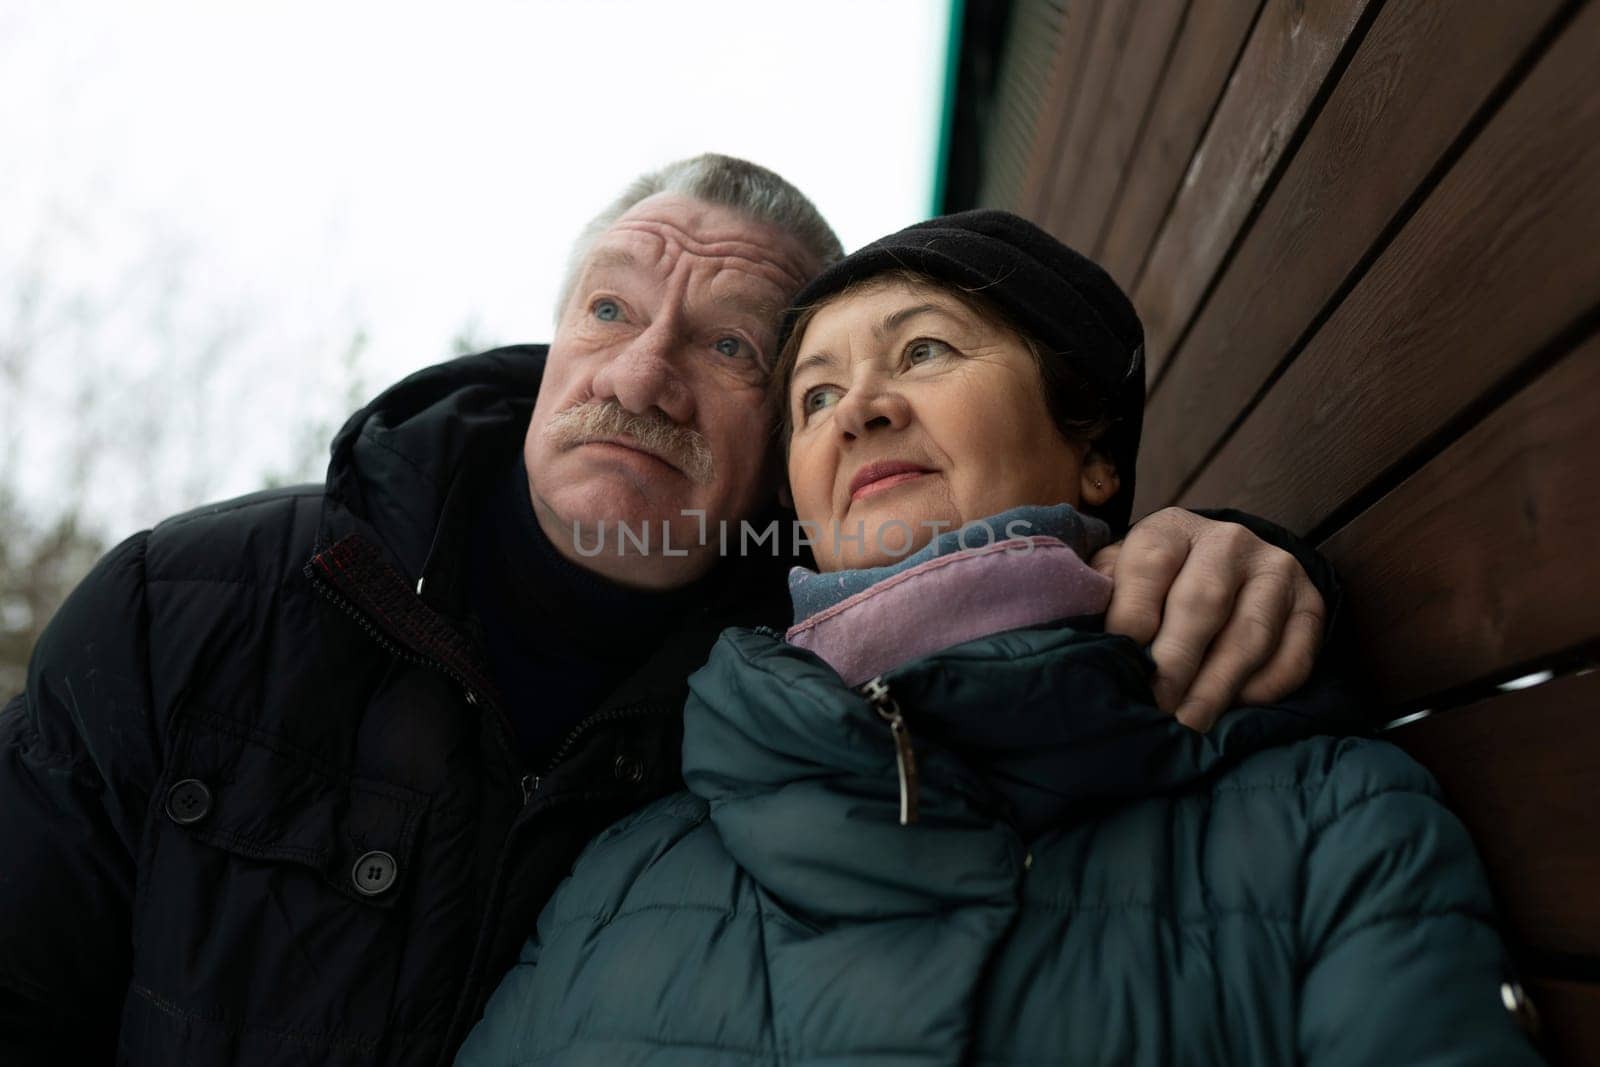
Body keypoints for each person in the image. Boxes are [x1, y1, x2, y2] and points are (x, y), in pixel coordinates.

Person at [2, 158, 1340, 1067]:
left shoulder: (810, 710)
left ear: (791, 458)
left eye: (730, 344)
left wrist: (1227, 552)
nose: (641, 372)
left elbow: (1018, 658)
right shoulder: (189, 611)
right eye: (608, 308)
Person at [455, 211, 1541, 1066]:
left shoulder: (1326, 813)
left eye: (922, 350)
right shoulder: (624, 869)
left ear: (1096, 457)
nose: (858, 410)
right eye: (815, 392)